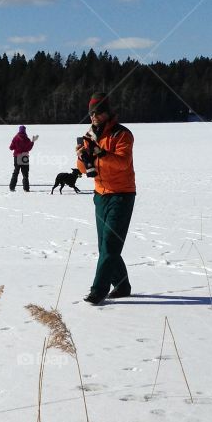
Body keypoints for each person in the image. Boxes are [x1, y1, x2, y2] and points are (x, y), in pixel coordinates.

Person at [76, 93, 136, 303]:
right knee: (105, 246)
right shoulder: (89, 136)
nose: (94, 116)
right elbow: (83, 169)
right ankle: (121, 285)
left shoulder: (122, 134)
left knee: (110, 245)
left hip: (122, 194)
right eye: (92, 113)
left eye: (99, 112)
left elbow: (122, 163)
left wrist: (100, 153)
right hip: (100, 195)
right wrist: (82, 157)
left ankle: (98, 290)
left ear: (108, 113)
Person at [8, 124, 36, 191]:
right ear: (25, 131)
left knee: (16, 172)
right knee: (25, 173)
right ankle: (26, 188)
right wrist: (32, 141)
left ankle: (12, 187)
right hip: (24, 157)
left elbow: (11, 147)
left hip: (17, 156)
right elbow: (29, 148)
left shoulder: (15, 138)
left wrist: (16, 147)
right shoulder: (27, 139)